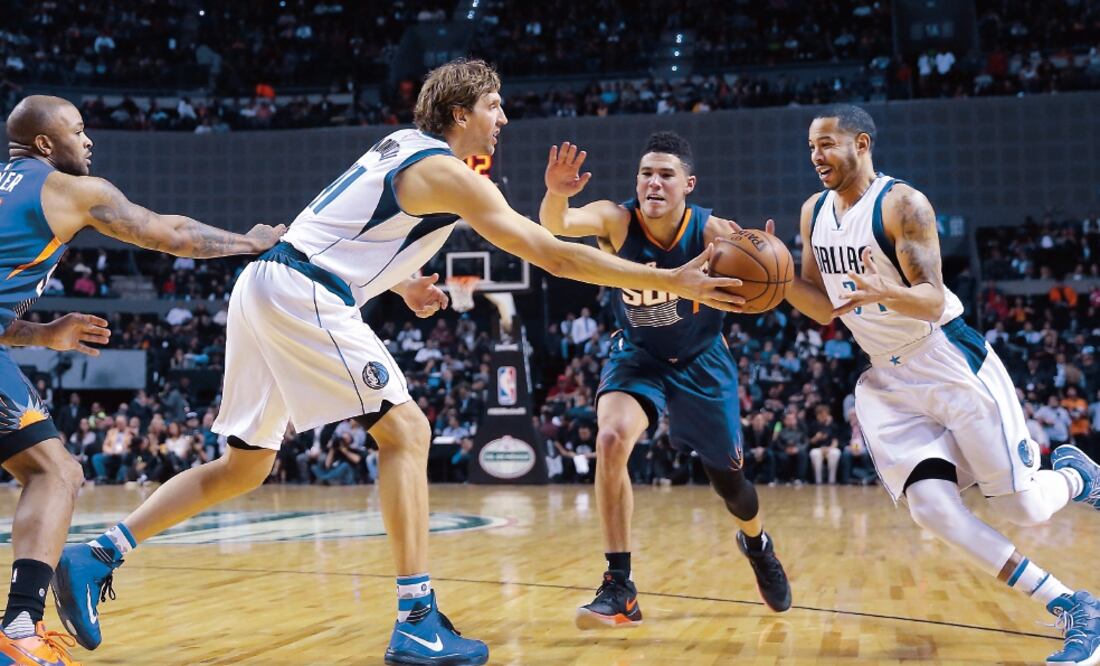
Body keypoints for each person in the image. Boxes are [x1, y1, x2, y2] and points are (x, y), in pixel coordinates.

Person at [54, 59, 743, 666]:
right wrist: (675, 281)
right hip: (302, 293)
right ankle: (417, 620)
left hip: (268, 283)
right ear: (459, 112)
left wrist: (402, 279)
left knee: (245, 465)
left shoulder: (398, 149)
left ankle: (97, 554)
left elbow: (346, 228)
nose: (503, 117)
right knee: (407, 432)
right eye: (494, 106)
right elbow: (552, 252)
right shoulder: (445, 171)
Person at [785, 104, 1100, 666]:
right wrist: (779, 279)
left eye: (827, 144)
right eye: (811, 146)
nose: (816, 156)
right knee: (930, 507)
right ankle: (1072, 606)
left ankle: (1075, 475)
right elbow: (820, 307)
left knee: (1025, 507)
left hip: (948, 358)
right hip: (888, 375)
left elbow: (931, 299)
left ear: (861, 144)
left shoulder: (903, 205)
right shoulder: (814, 212)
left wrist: (879, 294)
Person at [0, 94, 282, 666]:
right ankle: (19, 630)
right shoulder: (71, 190)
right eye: (78, 131)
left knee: (50, 470)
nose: (90, 141)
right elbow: (170, 234)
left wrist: (47, 333)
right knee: (55, 473)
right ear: (46, 145)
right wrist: (250, 243)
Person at [539, 131, 791, 630]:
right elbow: (559, 225)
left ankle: (757, 543)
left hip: (701, 360)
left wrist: (769, 263)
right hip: (639, 356)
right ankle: (619, 586)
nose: (653, 182)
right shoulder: (617, 218)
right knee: (610, 439)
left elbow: (761, 276)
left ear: (688, 184)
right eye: (646, 173)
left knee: (732, 486)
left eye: (666, 174)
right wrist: (556, 193)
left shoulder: (714, 232)